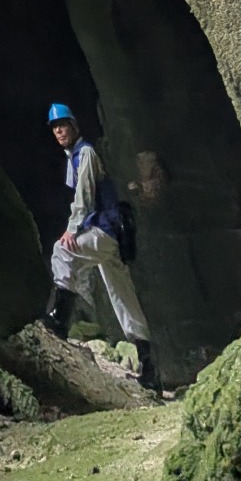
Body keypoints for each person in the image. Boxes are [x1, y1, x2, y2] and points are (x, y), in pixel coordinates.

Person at [41, 103, 160, 392]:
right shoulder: (76, 157)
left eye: (63, 125)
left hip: (104, 230)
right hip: (110, 237)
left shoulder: (86, 153)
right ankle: (150, 369)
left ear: (74, 126)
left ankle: (59, 320)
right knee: (122, 297)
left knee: (63, 251)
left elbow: (83, 197)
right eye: (55, 127)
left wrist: (72, 230)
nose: (59, 131)